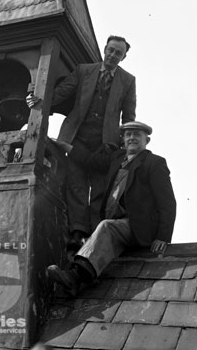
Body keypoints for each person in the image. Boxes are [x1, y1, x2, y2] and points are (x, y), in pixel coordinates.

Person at [27, 35, 136, 245]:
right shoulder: (83, 70)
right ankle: (77, 233)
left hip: (105, 143)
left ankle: (94, 235)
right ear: (105, 49)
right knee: (76, 185)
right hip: (76, 137)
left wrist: (124, 143)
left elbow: (129, 115)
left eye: (118, 53)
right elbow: (60, 92)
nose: (113, 55)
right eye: (111, 50)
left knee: (99, 188)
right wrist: (38, 100)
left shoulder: (128, 80)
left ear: (123, 57)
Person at [47, 121, 176, 296]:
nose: (132, 138)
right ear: (122, 139)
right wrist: (66, 147)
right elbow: (90, 161)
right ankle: (76, 282)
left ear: (147, 140)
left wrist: (162, 237)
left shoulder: (154, 163)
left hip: (139, 226)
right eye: (128, 134)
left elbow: (167, 202)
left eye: (137, 134)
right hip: (117, 223)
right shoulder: (117, 158)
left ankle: (74, 277)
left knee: (106, 227)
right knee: (98, 232)